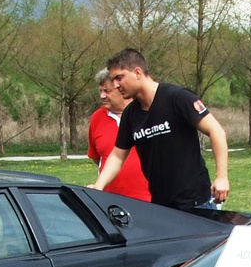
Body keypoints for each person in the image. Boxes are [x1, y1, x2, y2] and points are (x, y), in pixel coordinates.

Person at [90, 49, 229, 212]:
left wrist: (222, 177)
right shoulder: (131, 114)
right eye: (113, 80)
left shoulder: (178, 97)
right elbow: (117, 156)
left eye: (119, 78)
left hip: (197, 203)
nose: (115, 85)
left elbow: (216, 131)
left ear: (137, 72)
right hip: (162, 207)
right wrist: (99, 185)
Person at [87, 67, 149, 201]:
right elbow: (97, 157)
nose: (102, 96)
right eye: (100, 91)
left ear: (121, 89)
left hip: (151, 200)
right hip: (111, 201)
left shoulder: (147, 112)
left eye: (107, 91)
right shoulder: (96, 119)